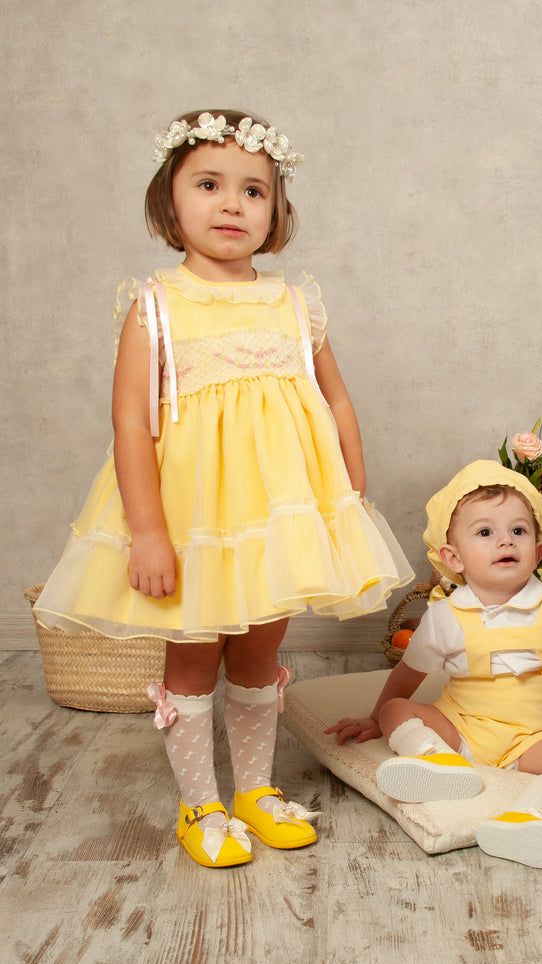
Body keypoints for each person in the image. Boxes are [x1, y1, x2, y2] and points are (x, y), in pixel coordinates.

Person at [35, 110, 413, 867]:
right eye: (209, 185)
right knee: (192, 658)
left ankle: (254, 791)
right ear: (169, 200)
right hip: (194, 521)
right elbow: (131, 425)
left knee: (258, 654)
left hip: (276, 519)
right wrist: (148, 533)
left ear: (276, 211)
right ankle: (200, 805)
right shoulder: (156, 306)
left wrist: (349, 491)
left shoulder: (294, 304)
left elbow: (336, 400)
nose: (232, 204)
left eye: (254, 191)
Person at [326, 461, 542, 868]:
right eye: (485, 533)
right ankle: (435, 760)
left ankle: (525, 819)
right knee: (395, 710)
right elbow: (408, 673)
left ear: (538, 552)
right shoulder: (445, 617)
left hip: (534, 735)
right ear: (454, 557)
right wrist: (377, 718)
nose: (505, 541)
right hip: (461, 726)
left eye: (519, 531)